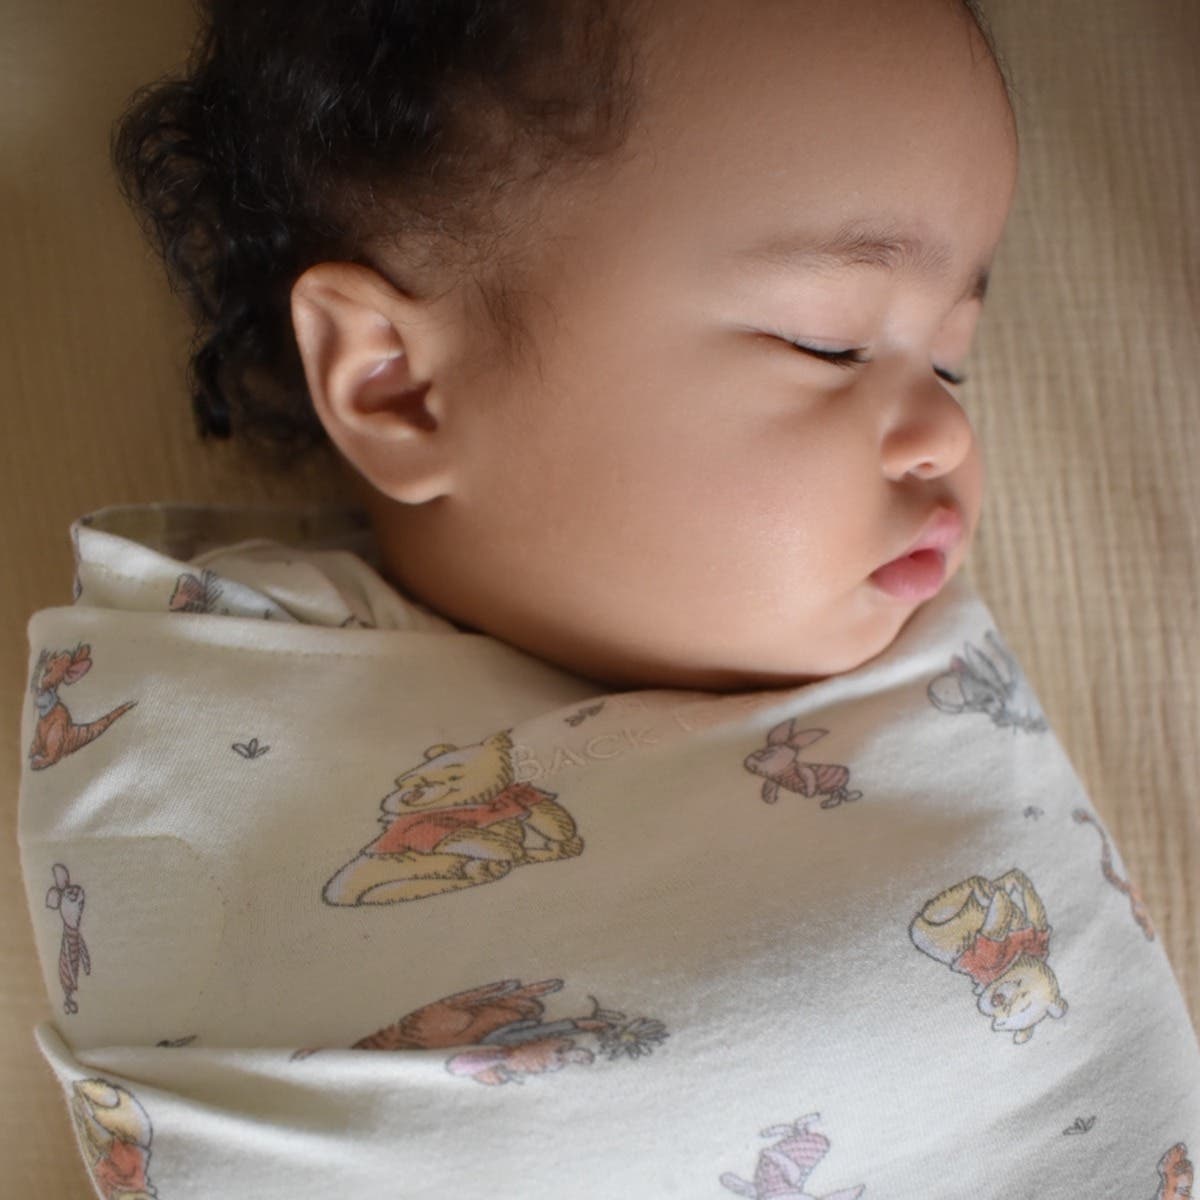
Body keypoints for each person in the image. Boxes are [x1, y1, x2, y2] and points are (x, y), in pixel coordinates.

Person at [16, 2, 1198, 1197]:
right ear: (400, 386)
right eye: (826, 343)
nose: (945, 428)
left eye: (951, 357)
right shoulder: (215, 707)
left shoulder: (926, 697)